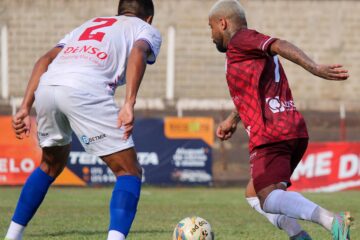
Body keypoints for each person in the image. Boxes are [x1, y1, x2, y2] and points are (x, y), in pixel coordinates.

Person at [5, 0, 161, 239]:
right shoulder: (144, 28)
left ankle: (12, 236)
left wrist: (25, 107)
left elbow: (45, 59)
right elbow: (138, 52)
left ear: (118, 12)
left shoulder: (88, 25)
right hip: (85, 89)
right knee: (128, 171)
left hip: (48, 86)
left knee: (50, 164)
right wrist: (129, 103)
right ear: (149, 18)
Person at [208, 0, 352, 240]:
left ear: (222, 23)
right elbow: (252, 89)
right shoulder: (246, 50)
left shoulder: (241, 40)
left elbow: (278, 43)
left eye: (210, 27)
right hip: (289, 128)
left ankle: (330, 220)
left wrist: (314, 68)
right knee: (254, 194)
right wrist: (233, 118)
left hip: (271, 132)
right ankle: (299, 236)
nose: (211, 35)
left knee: (269, 198)